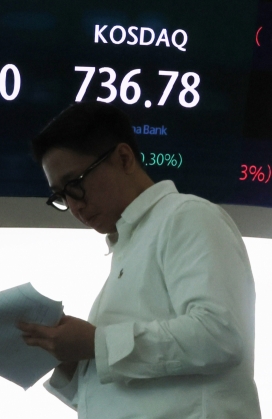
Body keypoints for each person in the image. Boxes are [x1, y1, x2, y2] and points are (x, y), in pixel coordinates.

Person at [17, 102, 261, 418]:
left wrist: (95, 343)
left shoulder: (187, 216)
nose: (75, 207)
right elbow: (124, 396)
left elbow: (219, 336)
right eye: (61, 195)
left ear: (124, 158)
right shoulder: (129, 248)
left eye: (76, 184)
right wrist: (67, 357)